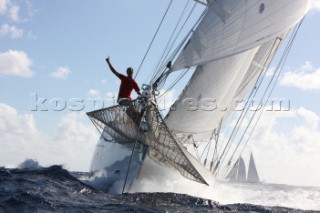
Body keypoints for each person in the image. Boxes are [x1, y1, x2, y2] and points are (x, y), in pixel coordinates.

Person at [106, 56, 142, 123]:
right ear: (127, 73)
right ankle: (135, 117)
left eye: (130, 72)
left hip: (128, 100)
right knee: (130, 105)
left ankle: (136, 121)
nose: (129, 73)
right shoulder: (124, 78)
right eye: (128, 72)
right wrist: (109, 63)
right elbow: (114, 71)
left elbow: (138, 92)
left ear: (132, 72)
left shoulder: (134, 83)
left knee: (134, 111)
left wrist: (142, 96)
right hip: (121, 99)